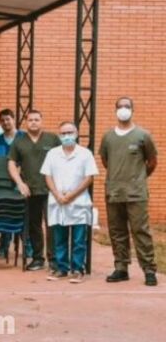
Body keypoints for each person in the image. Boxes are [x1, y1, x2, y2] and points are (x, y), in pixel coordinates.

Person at [100, 97, 158, 286]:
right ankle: (121, 267)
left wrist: (138, 178)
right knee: (117, 231)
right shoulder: (108, 137)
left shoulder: (143, 135)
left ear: (133, 109)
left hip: (136, 193)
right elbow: (106, 161)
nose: (123, 109)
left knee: (140, 230)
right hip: (114, 192)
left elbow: (152, 162)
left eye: (127, 106)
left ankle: (149, 269)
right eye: (120, 106)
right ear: (115, 109)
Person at [41, 122, 98, 283]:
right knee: (59, 238)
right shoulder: (52, 153)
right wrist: (58, 194)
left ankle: (78, 269)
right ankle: (62, 268)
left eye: (70, 132)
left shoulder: (85, 153)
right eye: (63, 133)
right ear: (59, 135)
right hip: (57, 200)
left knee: (79, 239)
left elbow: (89, 178)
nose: (66, 136)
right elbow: (47, 176)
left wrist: (71, 195)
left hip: (79, 202)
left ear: (77, 133)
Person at [8, 110, 61, 271]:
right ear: (26, 122)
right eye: (30, 120)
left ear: (42, 121)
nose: (33, 122)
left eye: (37, 119)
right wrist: (19, 183)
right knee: (34, 225)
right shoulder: (19, 142)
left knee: (52, 224)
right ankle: (38, 258)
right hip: (30, 190)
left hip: (51, 189)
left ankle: (55, 259)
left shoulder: (52, 139)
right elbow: (11, 163)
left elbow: (63, 159)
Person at [0, 109, 26, 257]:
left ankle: (27, 246)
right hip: (3, 182)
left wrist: (19, 174)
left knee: (23, 213)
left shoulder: (24, 137)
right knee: (4, 212)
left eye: (8, 119)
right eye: (3, 120)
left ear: (13, 119)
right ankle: (4, 244)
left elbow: (28, 159)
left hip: (22, 181)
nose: (6, 122)